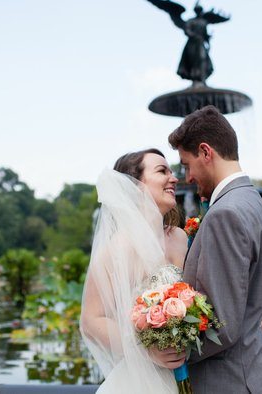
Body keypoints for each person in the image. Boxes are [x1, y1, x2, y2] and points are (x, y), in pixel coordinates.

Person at [166, 105, 262, 393]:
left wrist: (162, 357)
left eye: (186, 165)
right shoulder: (254, 202)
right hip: (257, 372)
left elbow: (222, 326)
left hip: (231, 381)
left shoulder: (224, 214)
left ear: (206, 152)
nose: (187, 177)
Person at [80, 148, 188, 393]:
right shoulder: (115, 250)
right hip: (142, 379)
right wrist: (146, 349)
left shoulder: (180, 237)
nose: (174, 178)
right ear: (136, 185)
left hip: (187, 371)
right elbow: (90, 320)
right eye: (162, 171)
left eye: (172, 171)